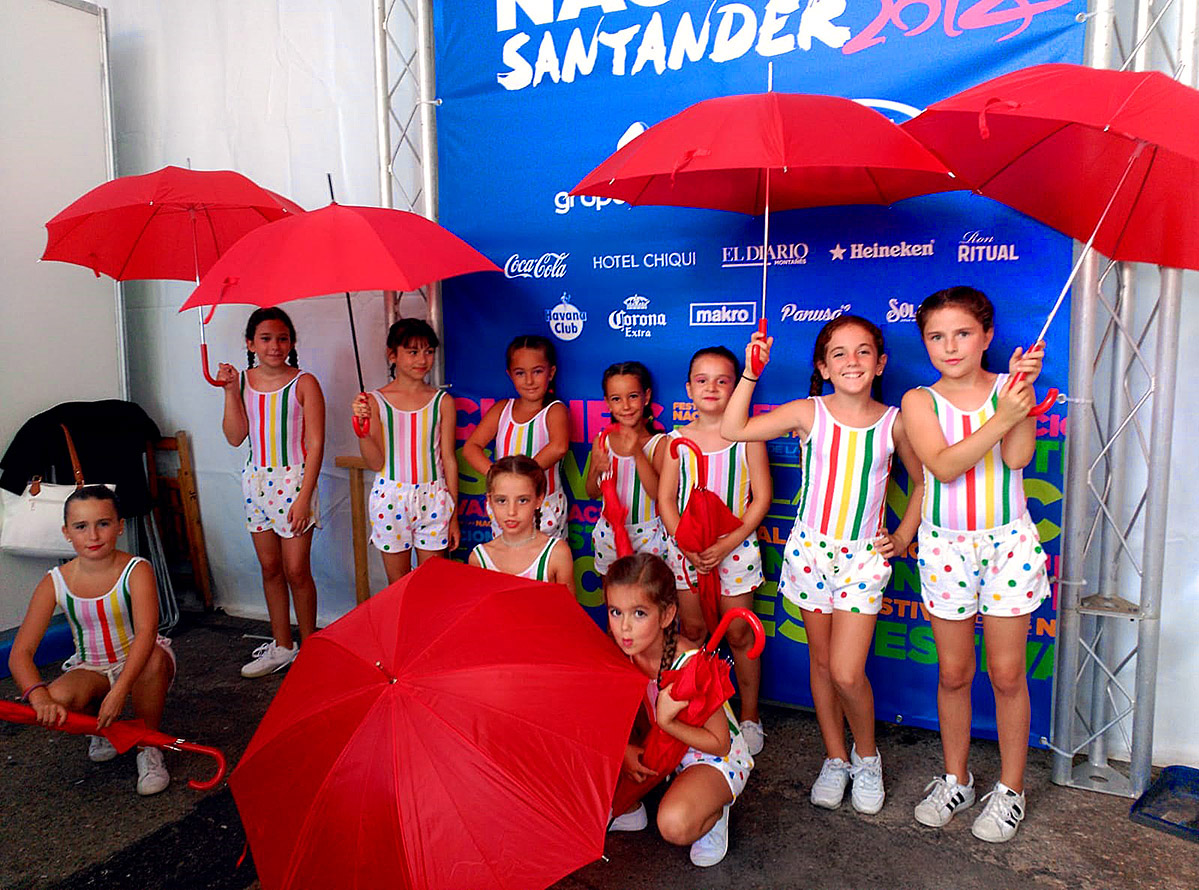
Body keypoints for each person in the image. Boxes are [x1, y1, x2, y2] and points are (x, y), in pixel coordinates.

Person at [722, 316, 924, 814]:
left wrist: (901, 535)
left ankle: (867, 756)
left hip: (861, 561)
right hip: (811, 554)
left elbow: (924, 484)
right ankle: (835, 757)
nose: (851, 361)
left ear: (880, 363)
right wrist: (750, 373)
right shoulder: (809, 412)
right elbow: (733, 428)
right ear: (823, 366)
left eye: (862, 352)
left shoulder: (894, 421)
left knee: (847, 672)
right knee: (820, 663)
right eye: (839, 353)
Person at [900, 286, 1049, 843]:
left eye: (962, 333)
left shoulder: (1008, 391)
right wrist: (1001, 414)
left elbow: (1016, 457)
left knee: (1008, 674)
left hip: (1007, 542)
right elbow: (940, 466)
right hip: (945, 547)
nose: (950, 346)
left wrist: (1020, 399)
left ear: (987, 336)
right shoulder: (920, 400)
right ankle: (956, 777)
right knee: (954, 672)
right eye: (936, 337)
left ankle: (1010, 789)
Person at [7, 486, 176, 795]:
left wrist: (120, 692)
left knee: (152, 658)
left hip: (137, 661)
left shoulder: (136, 569)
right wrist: (39, 697)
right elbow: (21, 653)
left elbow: (147, 634)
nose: (93, 535)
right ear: (66, 532)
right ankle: (101, 728)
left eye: (104, 523)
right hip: (92, 667)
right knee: (54, 702)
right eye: (81, 527)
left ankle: (147, 746)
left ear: (120, 525)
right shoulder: (54, 581)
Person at [658, 346, 771, 756]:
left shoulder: (748, 436)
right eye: (702, 380)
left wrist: (726, 543)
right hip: (687, 555)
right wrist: (686, 545)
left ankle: (750, 715)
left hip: (735, 551)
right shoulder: (677, 440)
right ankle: (701, 715)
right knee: (693, 633)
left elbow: (761, 499)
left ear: (737, 387)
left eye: (723, 381)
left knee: (739, 632)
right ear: (688, 388)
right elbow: (666, 501)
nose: (712, 388)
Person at [606, 553, 753, 867]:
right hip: (659, 750)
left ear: (666, 614)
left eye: (639, 613)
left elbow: (720, 743)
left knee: (674, 824)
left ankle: (713, 814)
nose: (625, 627)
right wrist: (623, 751)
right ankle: (630, 810)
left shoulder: (691, 665)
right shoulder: (621, 650)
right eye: (616, 611)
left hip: (709, 757)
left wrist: (668, 722)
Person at [215, 307, 324, 678]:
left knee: (296, 569)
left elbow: (316, 442)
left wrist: (305, 496)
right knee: (269, 567)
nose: (275, 346)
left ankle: (310, 648)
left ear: (291, 342)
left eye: (282, 338)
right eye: (265, 338)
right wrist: (230, 391)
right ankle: (281, 645)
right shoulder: (242, 381)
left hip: (294, 483)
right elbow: (234, 436)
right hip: (255, 483)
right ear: (250, 344)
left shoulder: (304, 382)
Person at [352, 319, 459, 585]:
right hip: (391, 498)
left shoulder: (442, 401)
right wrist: (362, 430)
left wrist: (453, 514)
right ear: (392, 354)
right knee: (398, 583)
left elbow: (449, 460)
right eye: (412, 352)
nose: (422, 359)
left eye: (428, 351)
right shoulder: (374, 401)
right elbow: (375, 461)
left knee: (433, 582)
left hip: (434, 496)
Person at [463, 335, 570, 539]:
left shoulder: (554, 410)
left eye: (537, 372)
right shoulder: (502, 409)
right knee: (506, 563)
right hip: (505, 507)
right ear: (510, 375)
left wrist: (518, 477)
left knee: (543, 565)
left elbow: (559, 446)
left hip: (544, 507)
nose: (529, 381)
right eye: (520, 373)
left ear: (551, 372)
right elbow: (471, 447)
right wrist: (499, 477)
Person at [585, 361, 668, 580]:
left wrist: (638, 453)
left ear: (646, 397)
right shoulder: (602, 441)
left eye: (633, 396)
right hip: (608, 533)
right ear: (608, 403)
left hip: (648, 534)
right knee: (615, 596)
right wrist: (598, 471)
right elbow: (591, 492)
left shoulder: (659, 443)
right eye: (616, 399)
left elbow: (658, 494)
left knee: (649, 599)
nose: (626, 405)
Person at [468, 456, 575, 594]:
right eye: (502, 500)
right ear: (489, 500)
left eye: (523, 500)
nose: (512, 511)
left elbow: (568, 612)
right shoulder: (479, 558)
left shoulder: (556, 553)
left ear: (538, 500)